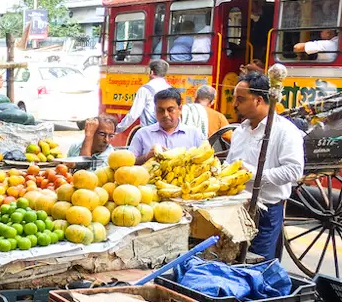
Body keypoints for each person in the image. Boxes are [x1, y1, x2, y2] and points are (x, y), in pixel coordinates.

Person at [226, 71, 305, 260]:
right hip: (235, 210)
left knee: (257, 266)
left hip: (266, 213)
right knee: (232, 262)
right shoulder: (240, 131)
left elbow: (294, 170)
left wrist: (252, 174)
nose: (235, 104)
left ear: (258, 100)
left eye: (240, 99)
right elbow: (231, 164)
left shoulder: (285, 131)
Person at [128, 88, 207, 163]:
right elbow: (129, 162)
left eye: (170, 110)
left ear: (180, 109)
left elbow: (206, 161)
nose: (165, 114)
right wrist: (146, 157)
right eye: (160, 110)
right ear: (155, 110)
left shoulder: (195, 134)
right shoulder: (142, 134)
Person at [116, 59, 172, 132]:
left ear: (151, 72)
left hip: (150, 133)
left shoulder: (145, 89)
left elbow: (133, 115)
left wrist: (117, 129)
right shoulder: (171, 89)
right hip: (167, 133)